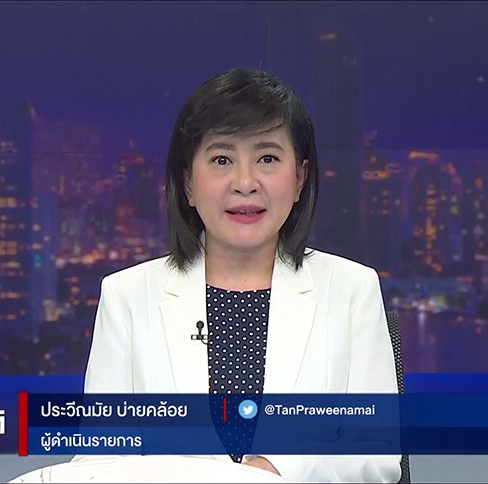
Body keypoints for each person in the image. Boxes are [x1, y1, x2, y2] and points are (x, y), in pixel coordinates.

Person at [78, 68, 402, 482]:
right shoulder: (126, 296)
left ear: (299, 179)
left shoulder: (352, 290)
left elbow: (376, 456)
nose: (245, 183)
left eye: (267, 159)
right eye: (221, 160)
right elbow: (97, 462)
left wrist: (274, 470)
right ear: (187, 182)